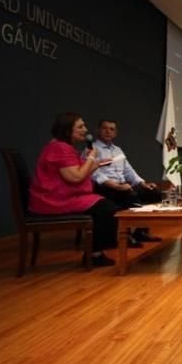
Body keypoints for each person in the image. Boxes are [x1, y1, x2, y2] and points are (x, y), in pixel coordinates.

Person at [28, 112, 119, 266]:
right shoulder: (60, 149)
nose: (85, 130)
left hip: (63, 196)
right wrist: (91, 157)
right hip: (54, 200)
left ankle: (95, 252)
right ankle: (94, 255)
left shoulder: (61, 147)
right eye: (80, 127)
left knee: (106, 204)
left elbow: (78, 173)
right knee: (106, 208)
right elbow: (75, 177)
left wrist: (96, 164)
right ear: (67, 130)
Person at [91, 119, 163, 244]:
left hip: (123, 185)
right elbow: (93, 174)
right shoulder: (92, 149)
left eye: (112, 129)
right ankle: (126, 235)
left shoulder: (118, 150)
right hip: (105, 187)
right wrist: (116, 186)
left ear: (115, 133)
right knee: (130, 194)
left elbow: (129, 170)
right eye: (105, 128)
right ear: (98, 130)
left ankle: (141, 232)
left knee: (153, 192)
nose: (108, 131)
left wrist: (142, 183)